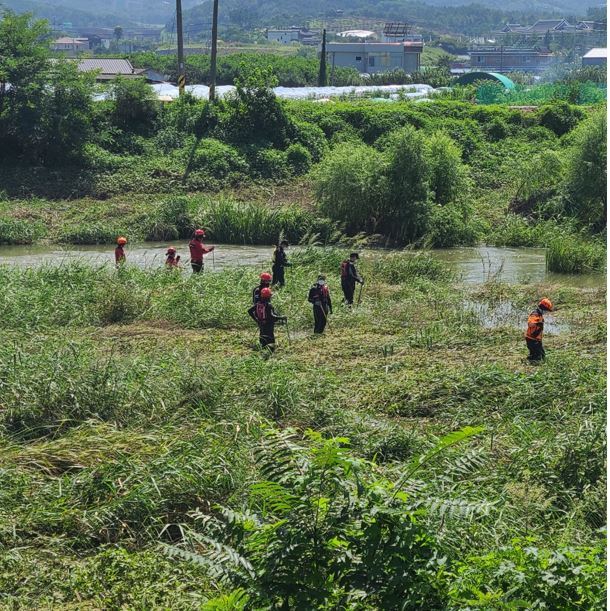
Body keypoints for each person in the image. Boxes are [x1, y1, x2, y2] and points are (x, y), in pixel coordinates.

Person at [247, 287, 286, 351]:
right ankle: (270, 353)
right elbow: (271, 316)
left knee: (262, 340)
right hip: (268, 326)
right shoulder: (268, 305)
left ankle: (262, 351)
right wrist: (281, 318)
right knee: (271, 342)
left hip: (261, 325)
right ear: (268, 297)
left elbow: (250, 311)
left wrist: (257, 320)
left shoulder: (258, 304)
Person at [525, 298, 553, 362]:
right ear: (543, 308)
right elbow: (530, 323)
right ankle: (530, 363)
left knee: (542, 355)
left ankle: (531, 359)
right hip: (532, 340)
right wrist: (537, 323)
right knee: (537, 358)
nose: (546, 312)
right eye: (546, 310)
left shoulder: (540, 315)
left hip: (537, 340)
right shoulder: (535, 314)